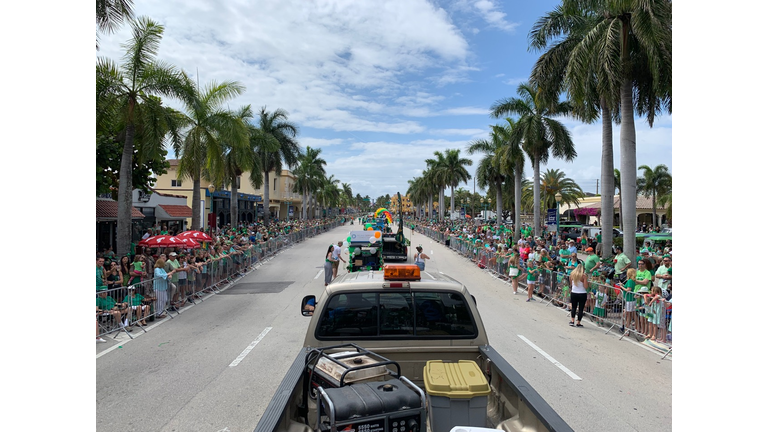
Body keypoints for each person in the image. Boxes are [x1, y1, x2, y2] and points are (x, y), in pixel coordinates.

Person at [620, 268, 638, 333]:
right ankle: (630, 328)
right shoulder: (631, 280)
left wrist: (621, 287)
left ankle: (628, 329)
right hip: (629, 299)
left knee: (629, 314)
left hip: (630, 299)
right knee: (631, 314)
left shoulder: (630, 281)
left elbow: (628, 289)